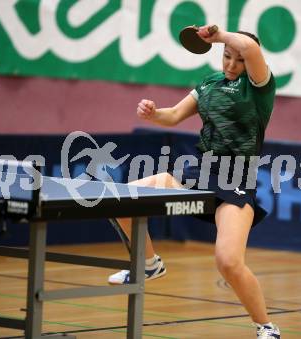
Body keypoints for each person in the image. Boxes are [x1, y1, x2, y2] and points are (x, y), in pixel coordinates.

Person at [108, 25, 280, 339]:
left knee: (228, 262)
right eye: (226, 57)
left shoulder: (259, 88)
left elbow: (251, 49)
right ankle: (148, 264)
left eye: (237, 61)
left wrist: (220, 36)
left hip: (237, 178)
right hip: (200, 172)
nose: (230, 65)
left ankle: (266, 327)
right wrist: (152, 113)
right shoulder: (209, 84)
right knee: (124, 199)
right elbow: (173, 115)